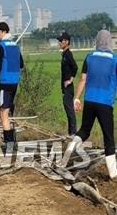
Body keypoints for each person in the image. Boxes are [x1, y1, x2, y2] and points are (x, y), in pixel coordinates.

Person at [60, 30, 116, 180]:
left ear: (97, 41)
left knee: (84, 130)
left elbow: (83, 79)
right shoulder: (114, 60)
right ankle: (113, 174)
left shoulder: (89, 57)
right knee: (108, 138)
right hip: (105, 103)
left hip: (89, 101)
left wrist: (76, 98)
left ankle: (66, 155)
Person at [0, 22, 24, 145]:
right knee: (7, 111)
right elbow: (21, 64)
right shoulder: (16, 46)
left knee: (3, 113)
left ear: (3, 32)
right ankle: (12, 140)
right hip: (15, 83)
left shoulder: (1, 46)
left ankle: (9, 144)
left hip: (5, 83)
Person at [57, 32, 78, 136]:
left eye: (61, 41)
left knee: (69, 108)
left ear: (67, 42)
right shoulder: (64, 54)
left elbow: (75, 67)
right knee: (67, 108)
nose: (59, 43)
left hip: (69, 87)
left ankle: (73, 132)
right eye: (59, 41)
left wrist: (70, 80)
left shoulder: (68, 54)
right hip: (65, 88)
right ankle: (71, 132)